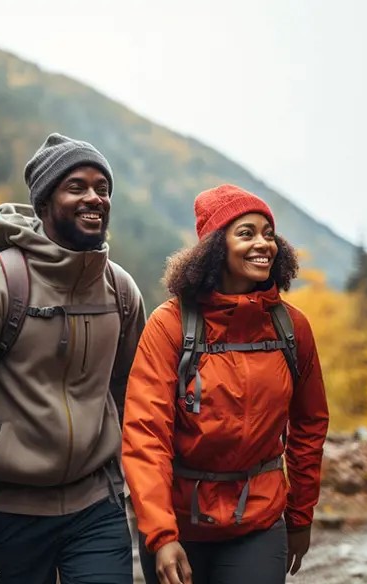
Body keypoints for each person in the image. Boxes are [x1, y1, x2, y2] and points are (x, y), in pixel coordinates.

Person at [0, 133, 147, 584]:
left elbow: (136, 399)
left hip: (97, 507)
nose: (95, 198)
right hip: (9, 512)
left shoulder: (121, 292)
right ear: (45, 203)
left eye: (103, 188)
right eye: (77, 186)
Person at [121, 184, 329, 584]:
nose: (263, 244)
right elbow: (145, 433)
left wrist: (301, 516)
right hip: (180, 523)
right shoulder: (170, 325)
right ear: (216, 247)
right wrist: (161, 534)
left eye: (269, 233)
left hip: (260, 524)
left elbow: (309, 424)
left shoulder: (292, 327)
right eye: (246, 233)